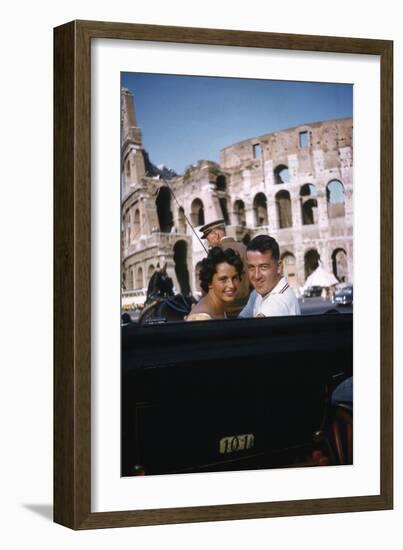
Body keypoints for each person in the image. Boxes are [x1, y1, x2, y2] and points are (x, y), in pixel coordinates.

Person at [199, 219, 251, 316]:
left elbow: (206, 289)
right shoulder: (245, 248)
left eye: (208, 239)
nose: (209, 244)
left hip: (224, 313)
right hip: (248, 309)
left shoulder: (215, 255)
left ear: (216, 235)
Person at [244, 234, 301, 317]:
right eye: (251, 267)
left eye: (264, 267)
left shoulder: (276, 303)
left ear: (279, 267)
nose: (256, 276)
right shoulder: (258, 293)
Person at [186, 247, 243, 321]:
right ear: (210, 283)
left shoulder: (219, 308)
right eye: (223, 279)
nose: (231, 285)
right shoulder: (201, 318)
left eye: (235, 278)